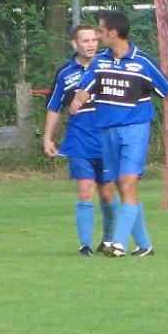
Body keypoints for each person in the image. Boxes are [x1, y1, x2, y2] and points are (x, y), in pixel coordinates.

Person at [70, 10, 168, 257]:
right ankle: (144, 245)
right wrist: (78, 100)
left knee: (128, 182)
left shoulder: (142, 62)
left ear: (113, 33)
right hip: (107, 132)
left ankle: (118, 243)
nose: (97, 36)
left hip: (134, 130)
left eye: (100, 31)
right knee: (124, 189)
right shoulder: (100, 62)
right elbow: (84, 88)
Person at [43, 24, 119, 257]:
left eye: (94, 40)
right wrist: (47, 137)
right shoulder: (65, 73)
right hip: (79, 141)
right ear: (74, 44)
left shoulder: (110, 66)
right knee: (85, 190)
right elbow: (55, 107)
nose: (91, 45)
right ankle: (85, 245)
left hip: (107, 140)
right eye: (85, 41)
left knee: (107, 193)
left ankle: (109, 239)